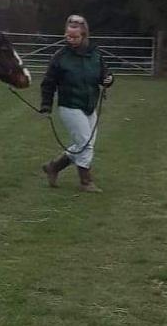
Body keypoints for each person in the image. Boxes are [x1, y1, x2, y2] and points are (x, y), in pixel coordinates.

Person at [40, 14, 114, 192]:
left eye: (75, 36)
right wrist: (46, 105)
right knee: (85, 143)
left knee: (85, 143)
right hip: (69, 105)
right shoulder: (60, 57)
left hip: (89, 105)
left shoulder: (95, 54)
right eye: (68, 36)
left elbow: (105, 74)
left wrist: (108, 80)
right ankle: (85, 181)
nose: (71, 40)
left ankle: (54, 167)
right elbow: (48, 82)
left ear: (84, 35)